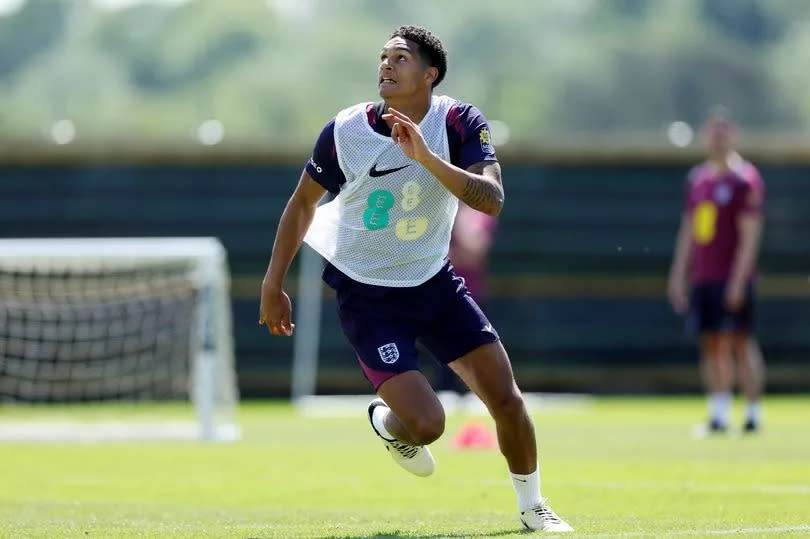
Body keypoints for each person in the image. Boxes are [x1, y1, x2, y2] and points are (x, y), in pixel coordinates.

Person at [259, 25, 573, 532]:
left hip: (433, 283)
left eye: (400, 58)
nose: (386, 65)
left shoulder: (459, 121)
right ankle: (389, 424)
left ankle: (533, 507)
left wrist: (427, 157)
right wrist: (273, 283)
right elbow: (301, 204)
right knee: (427, 425)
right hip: (368, 295)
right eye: (383, 56)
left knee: (507, 399)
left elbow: (491, 199)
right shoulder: (346, 131)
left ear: (430, 74)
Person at [667, 110, 766, 434]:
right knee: (710, 344)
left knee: (740, 341)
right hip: (704, 277)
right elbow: (689, 231)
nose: (717, 139)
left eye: (723, 133)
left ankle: (752, 412)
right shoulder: (698, 180)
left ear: (732, 136)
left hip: (732, 277)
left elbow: (750, 235)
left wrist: (738, 281)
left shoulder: (744, 179)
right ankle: (719, 413)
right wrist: (678, 274)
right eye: (713, 133)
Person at [437, 203, 498, 392]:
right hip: (437, 293)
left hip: (469, 296)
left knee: (473, 352)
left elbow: (474, 250)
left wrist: (456, 219)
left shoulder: (477, 213)